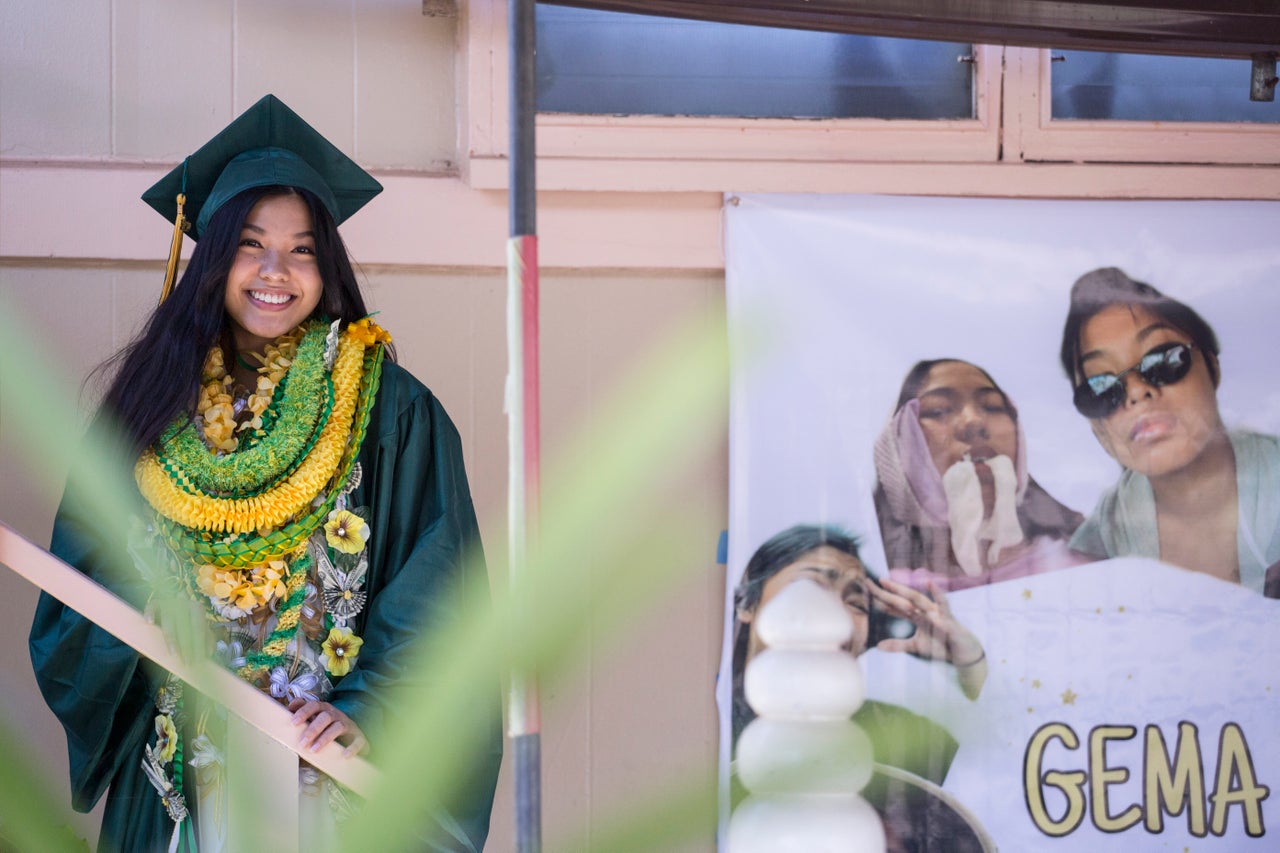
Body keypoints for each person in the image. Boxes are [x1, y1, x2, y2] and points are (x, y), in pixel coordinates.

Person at [28, 95, 501, 851]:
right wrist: (141, 615)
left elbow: (441, 587)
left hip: (329, 781)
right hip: (182, 782)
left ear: (328, 265)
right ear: (212, 256)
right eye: (250, 244)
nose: (275, 271)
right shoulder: (148, 411)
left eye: (303, 248)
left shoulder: (386, 408)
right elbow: (82, 578)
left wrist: (372, 711)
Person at [1060, 266, 1280, 595]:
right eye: (1100, 388)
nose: (1136, 392)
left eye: (1163, 360)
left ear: (1212, 367)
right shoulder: (1100, 540)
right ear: (1095, 425)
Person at [731, 525, 987, 785]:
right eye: (812, 587)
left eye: (856, 604)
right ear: (747, 603)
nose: (837, 616)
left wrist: (971, 665)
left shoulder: (901, 738)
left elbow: (1001, 785)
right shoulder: (703, 724)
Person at [873, 359, 1086, 590]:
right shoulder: (876, 592)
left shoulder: (1083, 569)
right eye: (939, 410)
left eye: (993, 407)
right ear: (899, 448)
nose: (974, 422)